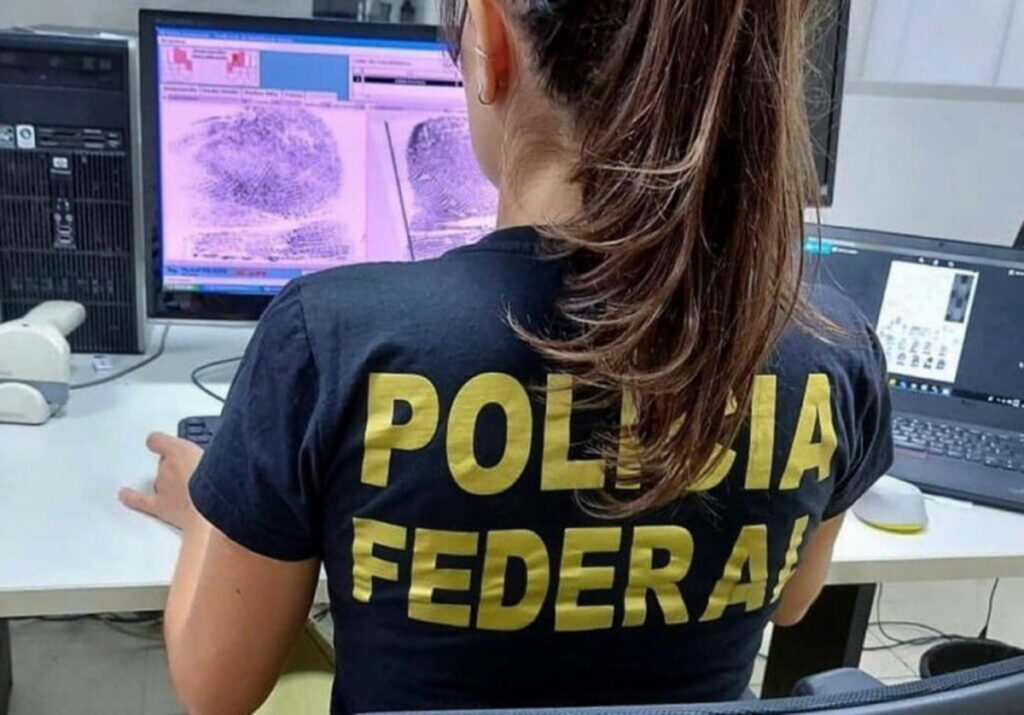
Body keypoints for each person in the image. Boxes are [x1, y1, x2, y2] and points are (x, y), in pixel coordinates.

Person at [119, 0, 893, 713]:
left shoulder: (329, 336)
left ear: (490, 44)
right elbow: (792, 599)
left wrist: (215, 517)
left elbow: (215, 687)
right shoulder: (833, 351)